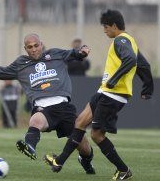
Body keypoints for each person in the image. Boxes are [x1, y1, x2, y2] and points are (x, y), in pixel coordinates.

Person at [0, 33, 96, 174]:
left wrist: (83, 51)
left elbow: (75, 54)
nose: (33, 49)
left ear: (41, 44)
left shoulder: (55, 54)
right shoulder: (21, 64)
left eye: (36, 46)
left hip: (63, 106)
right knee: (35, 120)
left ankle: (86, 161)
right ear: (25, 49)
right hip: (43, 108)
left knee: (84, 147)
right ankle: (30, 147)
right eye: (30, 47)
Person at [44, 9, 154, 180]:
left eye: (106, 27)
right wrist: (148, 88)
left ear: (114, 26)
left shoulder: (121, 40)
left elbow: (131, 60)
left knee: (96, 135)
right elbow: (144, 65)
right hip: (104, 92)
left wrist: (114, 79)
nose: (104, 31)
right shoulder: (130, 41)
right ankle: (58, 162)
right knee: (80, 122)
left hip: (113, 94)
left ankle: (124, 170)